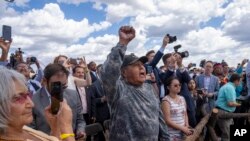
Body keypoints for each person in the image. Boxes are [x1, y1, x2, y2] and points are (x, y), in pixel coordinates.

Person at [100, 26, 169, 141]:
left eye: (142, 65)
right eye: (136, 65)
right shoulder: (118, 90)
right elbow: (108, 73)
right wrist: (122, 43)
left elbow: (159, 118)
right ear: (123, 72)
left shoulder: (149, 88)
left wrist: (166, 138)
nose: (142, 67)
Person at [0, 66, 75, 141]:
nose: (31, 104)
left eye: (28, 95)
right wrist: (66, 127)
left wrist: (54, 128)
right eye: (19, 98)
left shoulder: (22, 128)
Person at [30, 63, 86, 139]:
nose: (60, 90)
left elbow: (80, 120)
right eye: (56, 85)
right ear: (44, 81)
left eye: (64, 86)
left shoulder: (74, 95)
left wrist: (80, 131)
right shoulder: (32, 100)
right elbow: (31, 131)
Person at [160, 53, 197, 128]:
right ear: (165, 64)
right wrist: (171, 66)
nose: (173, 61)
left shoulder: (180, 71)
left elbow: (188, 80)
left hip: (187, 104)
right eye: (169, 61)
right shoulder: (162, 73)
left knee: (193, 126)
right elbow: (165, 80)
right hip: (173, 109)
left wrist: (180, 64)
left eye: (174, 60)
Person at [215, 73, 242, 141]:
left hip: (224, 112)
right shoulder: (230, 88)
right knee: (227, 136)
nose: (240, 82)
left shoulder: (227, 86)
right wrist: (240, 104)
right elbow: (230, 103)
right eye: (240, 81)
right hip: (224, 112)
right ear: (236, 81)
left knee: (228, 134)